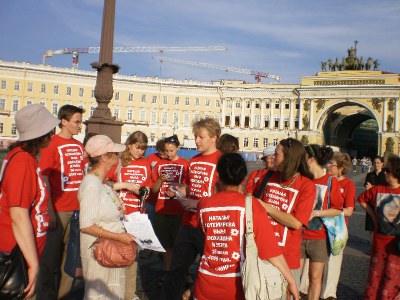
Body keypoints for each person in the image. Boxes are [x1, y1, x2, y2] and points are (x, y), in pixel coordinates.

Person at [194, 153, 299, 300]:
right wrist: (291, 280)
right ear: (243, 178)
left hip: (206, 284)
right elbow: (269, 250)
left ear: (218, 175)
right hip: (238, 286)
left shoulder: (203, 204)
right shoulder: (252, 205)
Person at [0, 104, 59, 299]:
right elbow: (18, 215)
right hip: (16, 254)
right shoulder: (22, 161)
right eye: (50, 130)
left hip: (22, 251)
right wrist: (33, 264)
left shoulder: (24, 158)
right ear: (41, 134)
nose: (53, 133)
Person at [160, 118, 222, 300]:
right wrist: (178, 191)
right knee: (176, 269)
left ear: (214, 138)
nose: (196, 141)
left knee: (211, 270)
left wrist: (199, 204)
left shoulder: (222, 161)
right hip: (187, 224)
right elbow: (190, 186)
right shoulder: (193, 161)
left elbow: (226, 196)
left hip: (209, 227)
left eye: (201, 137)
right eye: (196, 136)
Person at [255, 138, 316, 299]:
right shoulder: (267, 177)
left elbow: (296, 222)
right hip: (261, 253)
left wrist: (266, 207)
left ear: (289, 158)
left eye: (276, 154)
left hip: (287, 257)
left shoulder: (306, 185)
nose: (272, 157)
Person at [37, 104, 85, 299]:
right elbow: (45, 178)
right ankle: (45, 295)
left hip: (77, 210)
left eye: (81, 122)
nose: (80, 126)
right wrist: (49, 209)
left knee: (70, 259)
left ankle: (63, 295)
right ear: (63, 122)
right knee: (49, 259)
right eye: (77, 122)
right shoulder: (51, 144)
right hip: (58, 210)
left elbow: (82, 173)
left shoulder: (79, 146)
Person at [78, 134, 134, 299]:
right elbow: (87, 225)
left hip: (111, 252)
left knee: (112, 293)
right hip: (100, 255)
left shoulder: (101, 182)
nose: (117, 157)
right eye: (114, 153)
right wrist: (119, 237)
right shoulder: (91, 186)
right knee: (100, 295)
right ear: (103, 157)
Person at [300, 152, 356, 299]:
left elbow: (348, 211)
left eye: (333, 164)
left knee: (332, 264)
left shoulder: (348, 184)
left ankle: (328, 295)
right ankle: (304, 289)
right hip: (315, 228)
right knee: (308, 265)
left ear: (341, 169)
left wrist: (325, 211)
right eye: (329, 163)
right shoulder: (321, 179)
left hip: (335, 230)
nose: (329, 165)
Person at [106, 130, 152, 300]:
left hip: (137, 214)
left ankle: (129, 293)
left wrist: (145, 190)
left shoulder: (146, 164)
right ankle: (114, 290)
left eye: (143, 148)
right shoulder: (119, 162)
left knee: (133, 256)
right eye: (137, 147)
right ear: (129, 145)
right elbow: (106, 184)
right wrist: (125, 184)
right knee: (117, 253)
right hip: (119, 213)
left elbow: (148, 183)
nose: (140, 151)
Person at [358, 155, 400, 300]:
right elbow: (361, 199)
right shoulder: (378, 189)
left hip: (397, 243)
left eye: (388, 170)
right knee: (376, 275)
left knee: (392, 276)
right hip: (379, 241)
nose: (386, 173)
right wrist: (374, 216)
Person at [151, 135, 189, 285]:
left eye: (172, 150)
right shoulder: (159, 165)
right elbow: (154, 190)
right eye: (166, 151)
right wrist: (160, 180)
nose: (169, 154)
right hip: (162, 210)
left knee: (180, 245)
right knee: (166, 245)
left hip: (179, 210)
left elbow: (189, 189)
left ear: (178, 148)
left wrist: (177, 192)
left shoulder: (185, 165)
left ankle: (184, 274)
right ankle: (167, 272)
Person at [364, 156, 386, 233]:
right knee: (372, 227)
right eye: (375, 163)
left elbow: (386, 189)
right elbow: (367, 187)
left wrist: (373, 187)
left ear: (382, 164)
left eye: (378, 163)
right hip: (371, 202)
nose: (376, 165)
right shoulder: (370, 175)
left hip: (382, 203)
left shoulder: (385, 175)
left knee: (382, 226)